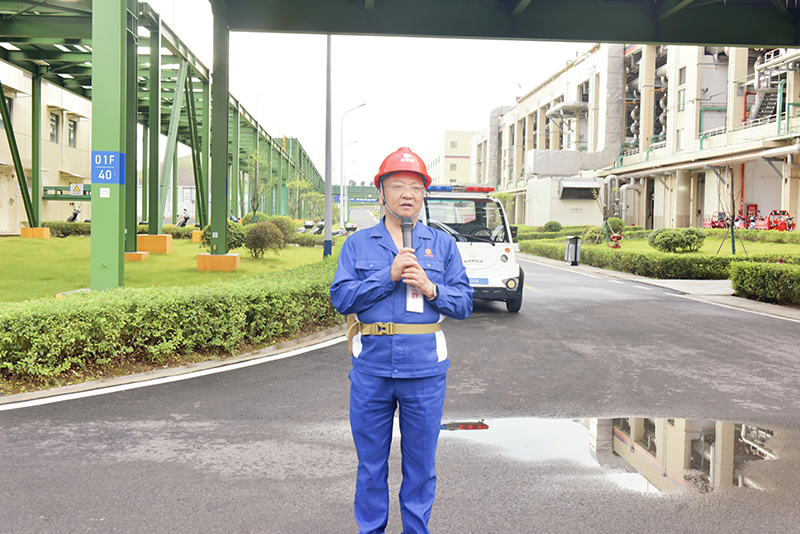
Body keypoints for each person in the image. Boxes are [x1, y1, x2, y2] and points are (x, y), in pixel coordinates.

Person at [330, 147, 473, 534]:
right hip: (372, 372)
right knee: (371, 467)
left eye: (415, 187)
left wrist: (430, 287)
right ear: (381, 192)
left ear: (424, 195)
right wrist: (387, 275)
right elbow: (341, 298)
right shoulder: (357, 245)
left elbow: (464, 303)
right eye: (397, 186)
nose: (407, 194)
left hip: (424, 372)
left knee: (421, 469)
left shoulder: (441, 245)